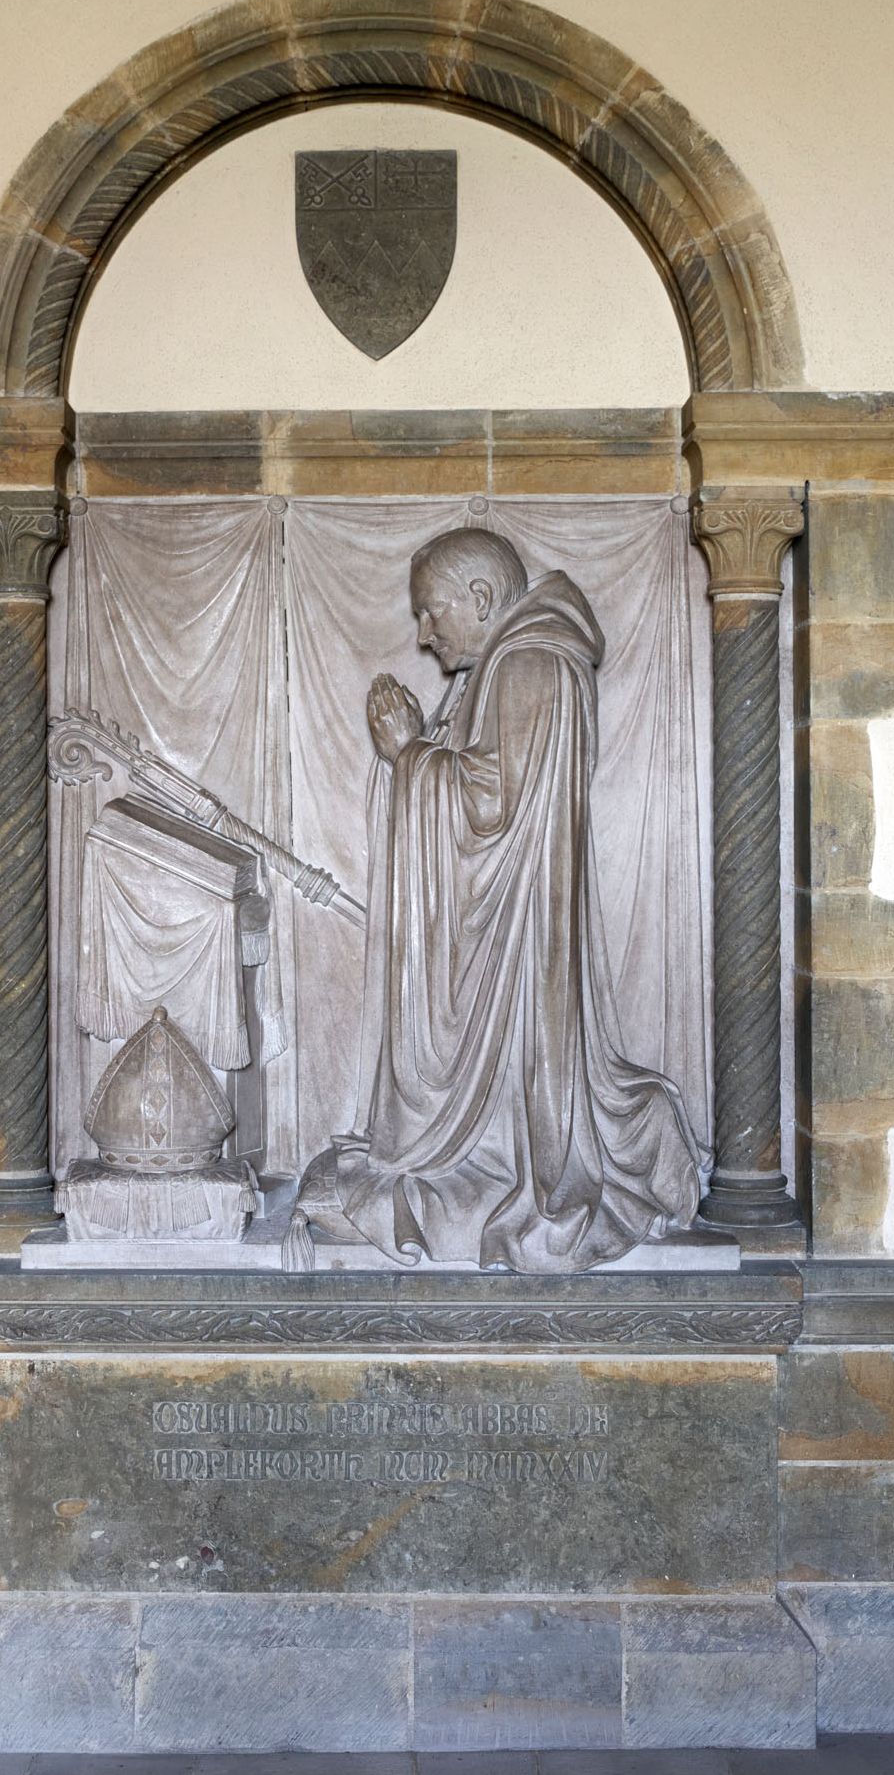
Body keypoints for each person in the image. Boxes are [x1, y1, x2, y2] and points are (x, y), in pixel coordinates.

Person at [318, 525, 703, 1270]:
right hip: (503, 940)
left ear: (483, 597)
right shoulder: (508, 663)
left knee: (480, 1159)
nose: (424, 636)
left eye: (433, 612)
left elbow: (492, 808)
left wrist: (409, 755)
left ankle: (486, 1174)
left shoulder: (527, 663)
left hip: (512, 957)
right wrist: (420, 754)